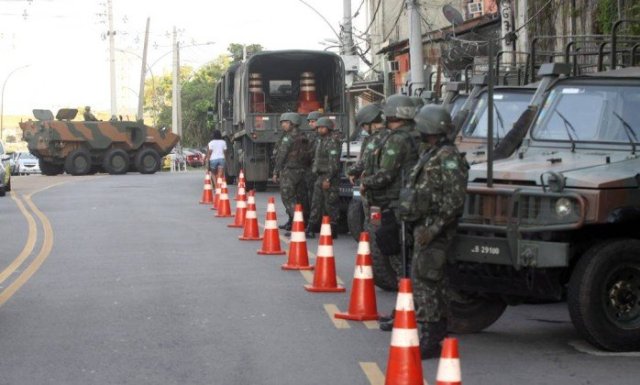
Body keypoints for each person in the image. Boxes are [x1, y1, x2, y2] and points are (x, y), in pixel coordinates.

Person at [398, 105, 468, 358]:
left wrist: (434, 228)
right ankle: (437, 331)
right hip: (423, 223)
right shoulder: (431, 153)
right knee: (430, 279)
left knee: (426, 281)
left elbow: (454, 200)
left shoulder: (447, 157)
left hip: (434, 228)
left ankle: (430, 339)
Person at [360, 94, 419, 330]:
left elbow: (386, 174)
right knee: (408, 262)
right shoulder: (417, 136)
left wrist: (367, 183)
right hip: (410, 203)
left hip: (395, 204)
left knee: (400, 263)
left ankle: (405, 314)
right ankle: (403, 311)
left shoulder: (398, 139)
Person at [347, 103, 387, 224]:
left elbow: (364, 161)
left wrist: (350, 171)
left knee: (372, 223)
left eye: (364, 126)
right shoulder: (388, 135)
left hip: (374, 185)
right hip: (384, 185)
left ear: (371, 123)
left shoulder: (376, 138)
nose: (364, 129)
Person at [272, 112, 311, 231]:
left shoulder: (288, 137)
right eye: (282, 122)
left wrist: (275, 172)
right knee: (300, 198)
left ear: (292, 123)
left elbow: (281, 156)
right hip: (302, 171)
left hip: (289, 171)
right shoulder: (303, 136)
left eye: (286, 122)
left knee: (288, 197)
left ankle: (297, 223)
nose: (283, 125)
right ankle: (297, 222)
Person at [306, 117, 341, 239]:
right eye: (318, 127)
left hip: (329, 177)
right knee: (316, 202)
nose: (319, 129)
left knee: (330, 204)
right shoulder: (321, 140)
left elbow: (334, 163)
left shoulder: (332, 141)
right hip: (320, 176)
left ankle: (333, 229)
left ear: (328, 128)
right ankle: (311, 228)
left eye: (322, 127)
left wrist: (328, 179)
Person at [304, 111, 322, 220]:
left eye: (313, 121)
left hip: (319, 171)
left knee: (318, 199)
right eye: (309, 122)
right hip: (310, 170)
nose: (310, 124)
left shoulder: (325, 136)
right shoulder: (311, 136)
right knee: (311, 196)